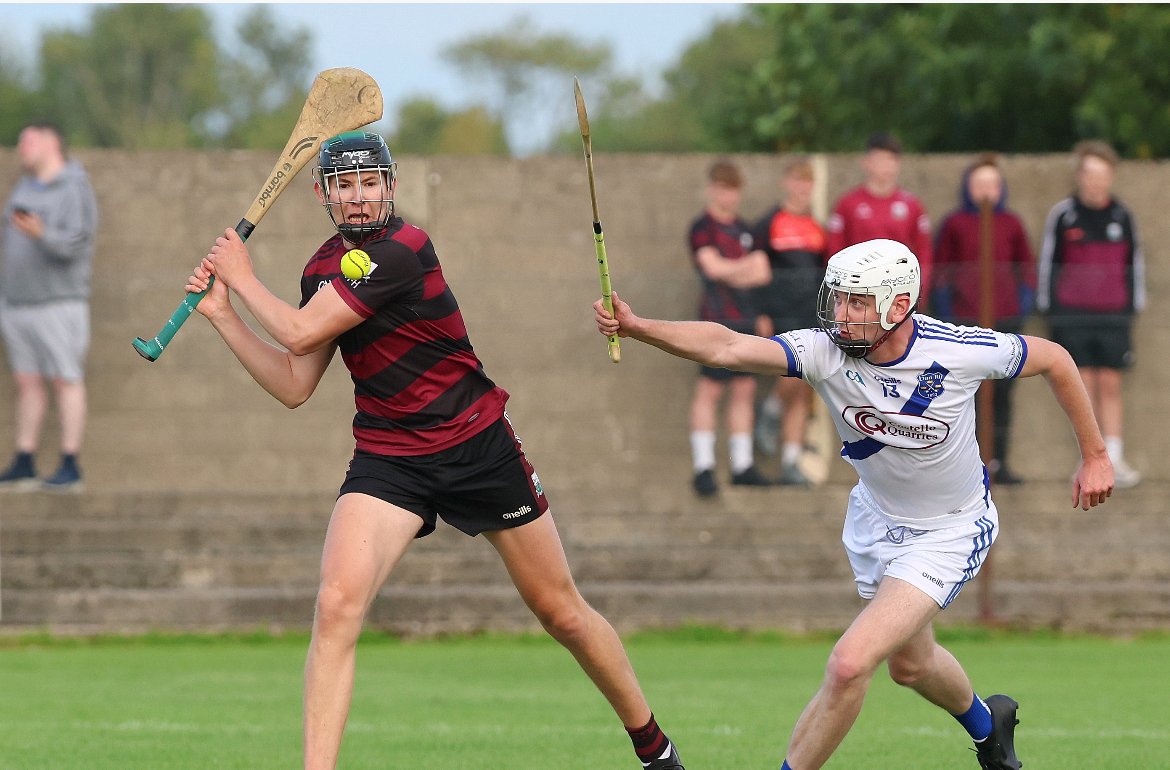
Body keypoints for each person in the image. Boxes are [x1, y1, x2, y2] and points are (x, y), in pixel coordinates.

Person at [183, 131, 685, 770]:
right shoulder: (320, 269)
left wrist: (243, 277)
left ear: (390, 186)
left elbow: (299, 330)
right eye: (344, 185)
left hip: (476, 442)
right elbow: (293, 382)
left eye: (370, 182)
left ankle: (654, 748)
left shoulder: (405, 250)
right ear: (323, 194)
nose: (358, 197)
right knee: (336, 605)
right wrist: (225, 315)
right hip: (390, 457)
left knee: (560, 611)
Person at [594, 238, 1114, 770]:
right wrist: (638, 327)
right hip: (875, 521)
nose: (842, 314)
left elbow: (1055, 358)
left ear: (899, 304)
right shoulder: (824, 351)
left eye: (859, 302)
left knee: (849, 664)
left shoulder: (958, 350)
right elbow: (726, 347)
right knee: (911, 666)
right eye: (839, 298)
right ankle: (990, 729)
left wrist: (1095, 455)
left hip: (949, 531)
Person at [1038, 139, 1145, 488]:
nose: (1095, 181)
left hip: (1113, 316)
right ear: (1079, 176)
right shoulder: (1063, 214)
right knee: (1080, 386)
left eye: (1102, 174)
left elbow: (1135, 264)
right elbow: (1049, 263)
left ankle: (1114, 456)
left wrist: (1131, 307)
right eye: (1089, 174)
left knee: (1110, 384)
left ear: (1111, 177)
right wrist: (1050, 308)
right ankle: (1090, 458)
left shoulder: (1123, 216)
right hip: (1072, 315)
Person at [0, 121, 98, 493]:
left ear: (51, 142)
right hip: (16, 303)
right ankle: (25, 461)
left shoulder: (75, 187)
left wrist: (41, 234)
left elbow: (77, 243)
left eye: (28, 140)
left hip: (58, 303)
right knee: (27, 382)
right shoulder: (24, 187)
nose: (21, 146)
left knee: (65, 379)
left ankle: (70, 464)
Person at [932, 154, 1036, 485]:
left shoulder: (1011, 223)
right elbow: (941, 271)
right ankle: (968, 465)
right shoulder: (954, 224)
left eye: (992, 183)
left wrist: (1021, 306)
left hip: (1004, 319)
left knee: (1002, 394)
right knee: (967, 394)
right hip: (966, 321)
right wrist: (947, 314)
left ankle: (999, 461)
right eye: (980, 183)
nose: (986, 190)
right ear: (968, 187)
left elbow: (1026, 268)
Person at [686, 158, 773, 497]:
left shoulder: (746, 230)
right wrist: (743, 268)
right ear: (712, 189)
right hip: (714, 318)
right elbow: (712, 269)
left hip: (746, 320)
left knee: (744, 389)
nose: (729, 196)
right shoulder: (702, 227)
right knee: (710, 390)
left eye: (734, 189)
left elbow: (762, 273)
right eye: (723, 189)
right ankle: (704, 467)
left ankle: (742, 465)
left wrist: (731, 270)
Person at [751, 157, 825, 486]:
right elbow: (757, 272)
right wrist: (761, 312)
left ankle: (791, 461)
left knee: (804, 386)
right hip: (782, 313)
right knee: (793, 373)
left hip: (811, 313)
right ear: (786, 182)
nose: (802, 187)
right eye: (797, 180)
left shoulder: (816, 227)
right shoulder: (769, 223)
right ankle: (769, 410)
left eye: (807, 181)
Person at [827, 132, 933, 302]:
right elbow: (835, 249)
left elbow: (923, 250)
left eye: (891, 160)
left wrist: (920, 288)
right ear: (866, 162)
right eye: (879, 160)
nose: (885, 166)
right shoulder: (847, 204)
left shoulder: (912, 205)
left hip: (899, 291)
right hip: (858, 292)